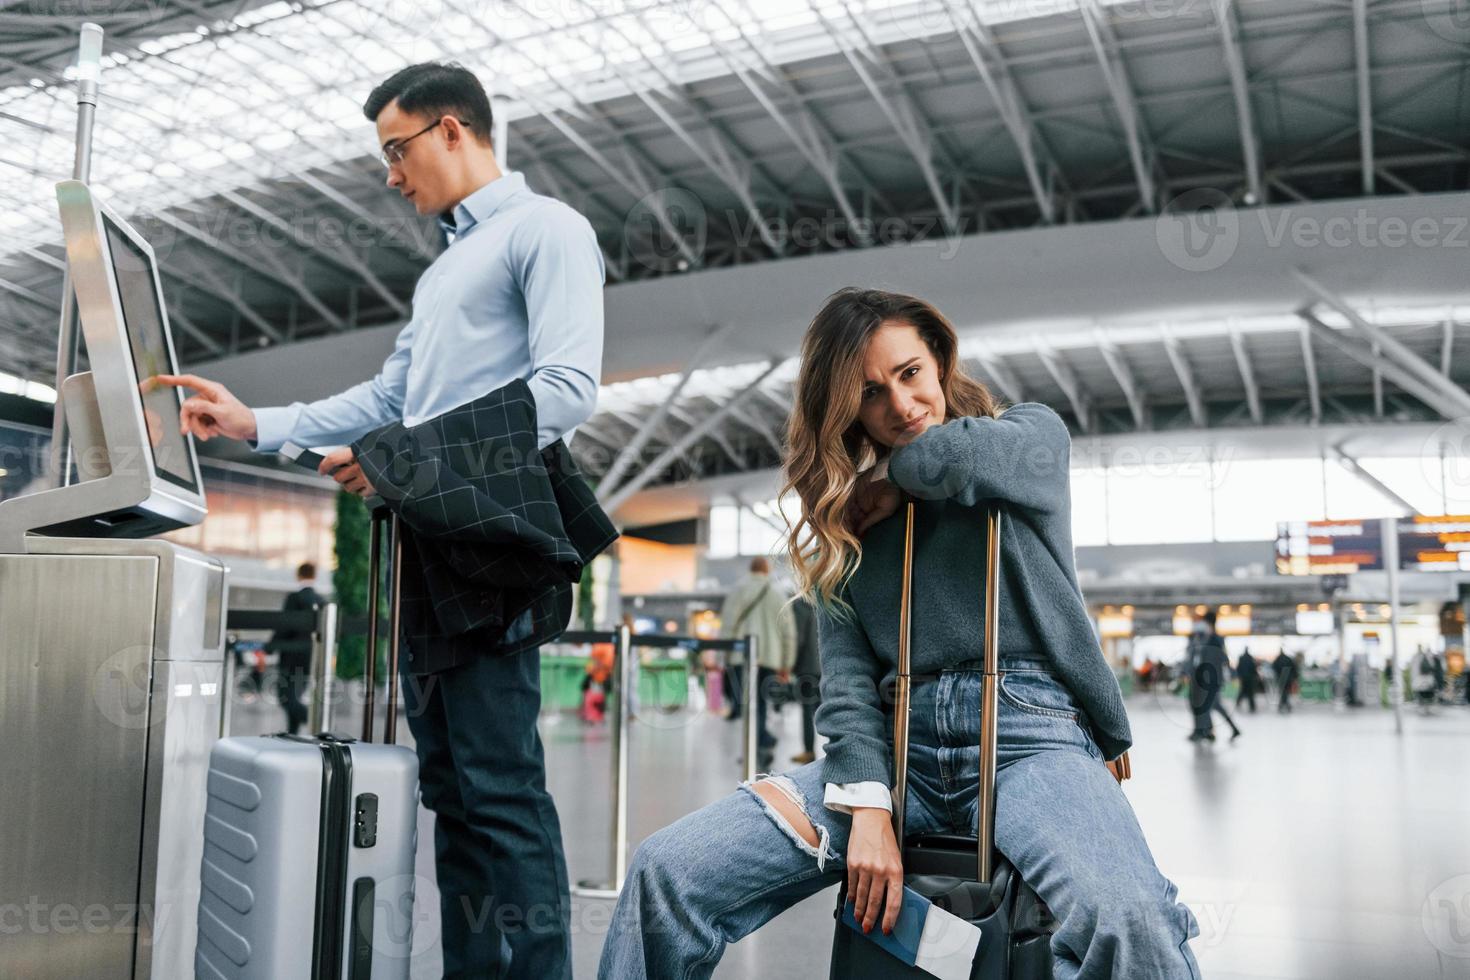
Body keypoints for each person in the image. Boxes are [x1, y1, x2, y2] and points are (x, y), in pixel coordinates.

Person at [598, 288, 1200, 979]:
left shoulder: (1026, 443)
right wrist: (869, 809)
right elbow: (848, 686)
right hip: (893, 749)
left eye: (910, 373)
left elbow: (940, 460)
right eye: (869, 393)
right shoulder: (845, 526)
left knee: (1130, 919)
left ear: (940, 359)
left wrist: (894, 481)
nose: (901, 406)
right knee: (666, 873)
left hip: (1029, 742)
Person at [156, 62, 604, 980]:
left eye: (396, 151)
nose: (391, 175)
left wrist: (409, 459)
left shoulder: (546, 230)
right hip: (430, 549)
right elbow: (388, 398)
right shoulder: (448, 270)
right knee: (454, 791)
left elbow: (566, 391)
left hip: (490, 549)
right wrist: (257, 424)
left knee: (501, 791)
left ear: (451, 130)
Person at [719, 557, 798, 769]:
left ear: (751, 569)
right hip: (770, 659)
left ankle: (759, 743)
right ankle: (760, 742)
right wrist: (786, 664)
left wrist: (723, 657)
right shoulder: (777, 594)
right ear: (767, 570)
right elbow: (788, 633)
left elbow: (727, 625)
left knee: (746, 704)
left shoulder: (737, 591)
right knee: (761, 703)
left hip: (740, 657)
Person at [266, 562, 321, 734]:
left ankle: (317, 725)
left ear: (298, 575)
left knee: (285, 698)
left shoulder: (294, 598)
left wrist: (270, 647)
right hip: (309, 658)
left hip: (290, 657)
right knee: (294, 695)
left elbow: (284, 626)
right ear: (314, 576)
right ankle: (292, 732)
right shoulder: (320, 600)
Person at [1188, 610, 1241, 742]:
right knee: (1214, 706)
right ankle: (1227, 730)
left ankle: (1206, 732)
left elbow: (1224, 659)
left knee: (1208, 706)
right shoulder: (1205, 638)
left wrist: (1231, 674)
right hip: (1208, 679)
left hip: (1212, 679)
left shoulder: (1215, 639)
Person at [789, 594, 822, 765]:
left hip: (807, 665)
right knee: (825, 706)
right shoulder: (826, 599)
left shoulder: (801, 604)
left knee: (807, 709)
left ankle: (809, 751)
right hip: (824, 664)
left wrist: (791, 664)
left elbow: (798, 637)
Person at [1235, 646, 1261, 713]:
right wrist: (1256, 675)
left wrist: (1239, 676)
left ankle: (1238, 703)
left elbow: (1239, 668)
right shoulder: (1250, 658)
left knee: (1242, 691)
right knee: (1250, 693)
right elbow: (1253, 668)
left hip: (1243, 678)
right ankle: (1252, 707)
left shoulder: (1241, 658)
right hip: (1250, 678)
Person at [1274, 648, 1299, 713]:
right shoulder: (1288, 659)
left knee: (1283, 692)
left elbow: (1274, 667)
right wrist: (1295, 677)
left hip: (1280, 678)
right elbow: (1294, 668)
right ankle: (1285, 705)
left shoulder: (1278, 659)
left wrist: (1277, 674)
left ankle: (1283, 705)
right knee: (1286, 692)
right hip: (1288, 678)